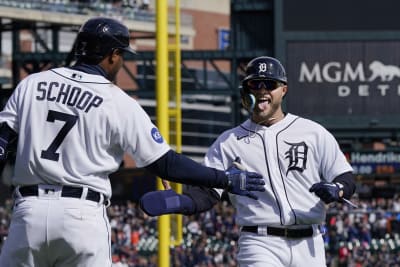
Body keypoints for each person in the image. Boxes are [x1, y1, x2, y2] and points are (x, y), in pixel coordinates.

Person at [0, 17, 265, 267]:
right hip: (80, 214)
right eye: (121, 55)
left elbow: (2, 142)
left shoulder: (32, 84)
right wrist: (224, 179)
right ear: (113, 55)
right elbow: (167, 163)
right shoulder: (118, 101)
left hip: (29, 211)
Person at [140, 56, 356, 267]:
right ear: (246, 90)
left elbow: (344, 176)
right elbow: (207, 194)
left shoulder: (312, 132)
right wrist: (177, 202)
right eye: (254, 84)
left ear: (284, 89)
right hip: (260, 242)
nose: (262, 90)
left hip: (311, 243)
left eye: (269, 84)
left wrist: (337, 189)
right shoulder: (229, 141)